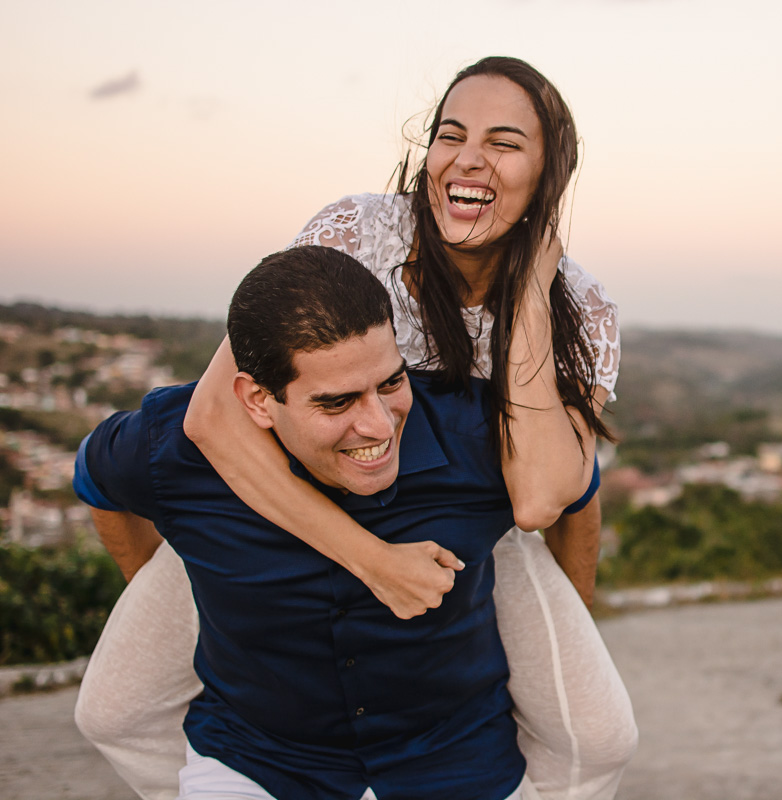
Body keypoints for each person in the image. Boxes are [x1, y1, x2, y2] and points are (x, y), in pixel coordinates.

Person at [75, 56, 637, 800]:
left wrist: (531, 290)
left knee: (599, 732)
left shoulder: (579, 305)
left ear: (548, 174)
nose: (468, 158)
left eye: (503, 143)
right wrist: (366, 560)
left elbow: (544, 498)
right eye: (451, 135)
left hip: (468, 519)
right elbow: (215, 414)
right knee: (108, 709)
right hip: (277, 493)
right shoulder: (360, 234)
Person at [75, 246, 532, 799]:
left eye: (391, 383)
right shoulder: (169, 449)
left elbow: (575, 487)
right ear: (257, 400)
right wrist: (153, 578)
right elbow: (96, 478)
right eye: (337, 403)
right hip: (258, 760)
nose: (379, 424)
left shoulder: (474, 432)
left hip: (454, 759)